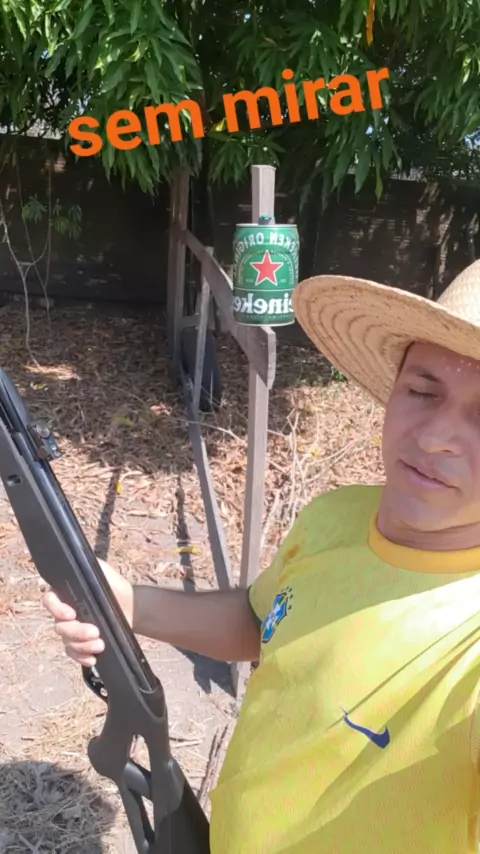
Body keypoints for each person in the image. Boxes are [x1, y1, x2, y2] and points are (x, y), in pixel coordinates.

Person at [43, 258, 480, 854]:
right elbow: (259, 621)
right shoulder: (339, 515)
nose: (433, 436)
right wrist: (129, 605)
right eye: (422, 391)